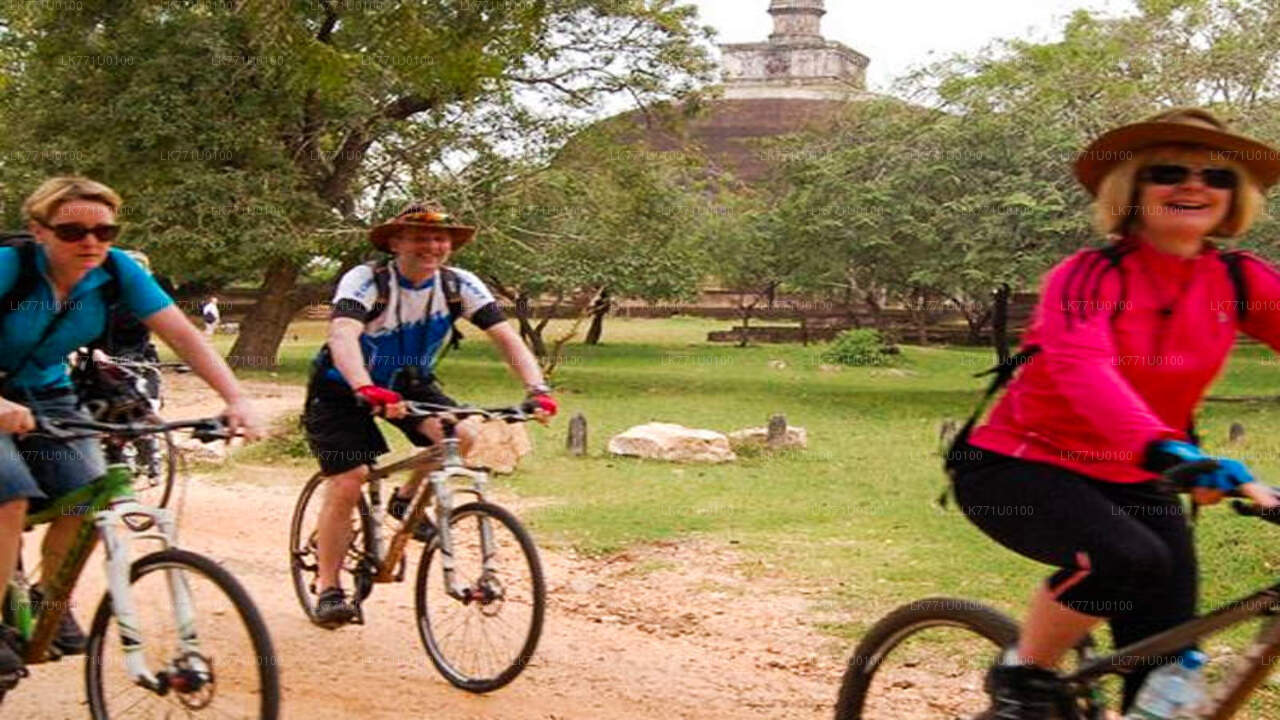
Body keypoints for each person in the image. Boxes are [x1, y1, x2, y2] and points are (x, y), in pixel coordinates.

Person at [948, 108, 1280, 718]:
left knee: (1164, 663)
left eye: (1217, 176)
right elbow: (1085, 371)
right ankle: (1022, 676)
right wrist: (1173, 451)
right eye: (1168, 171)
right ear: (1132, 187)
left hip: (1141, 476)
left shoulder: (1240, 280)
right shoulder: (1087, 275)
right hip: (1020, 465)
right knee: (1129, 560)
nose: (1194, 186)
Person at [0, 177, 264, 681]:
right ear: (39, 232)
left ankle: (46, 600)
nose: (91, 242)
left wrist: (236, 399)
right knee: (7, 494)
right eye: (73, 231)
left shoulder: (117, 272)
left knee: (88, 495)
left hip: (49, 393)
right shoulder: (9, 269)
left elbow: (183, 335)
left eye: (105, 231)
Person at [303, 202, 557, 628]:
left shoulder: (459, 285)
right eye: (421, 237)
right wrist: (364, 386)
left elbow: (506, 338)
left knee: (463, 435)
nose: (434, 246)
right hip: (341, 386)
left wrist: (538, 389)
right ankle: (330, 587)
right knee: (349, 479)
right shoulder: (367, 280)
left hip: (408, 381)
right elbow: (343, 334)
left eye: (441, 239)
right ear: (395, 242)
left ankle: (405, 504)